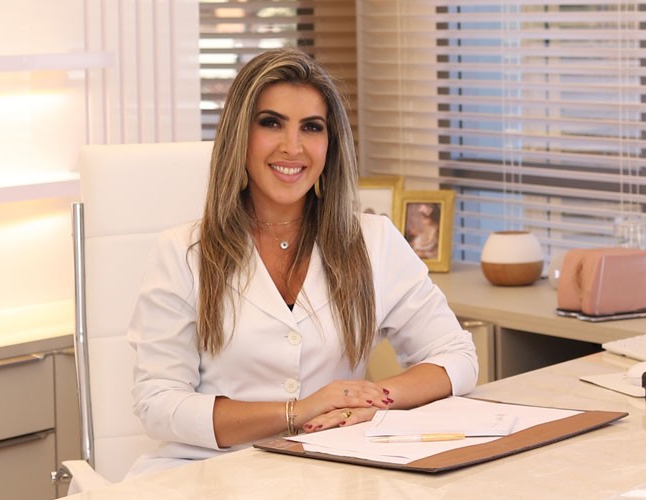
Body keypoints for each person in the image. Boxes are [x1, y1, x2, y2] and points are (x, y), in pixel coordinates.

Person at [125, 48, 479, 477]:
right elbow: (159, 404)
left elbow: (456, 356)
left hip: (334, 467)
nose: (292, 147)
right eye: (271, 123)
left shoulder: (373, 242)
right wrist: (299, 411)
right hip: (209, 472)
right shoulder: (183, 253)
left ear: (330, 145)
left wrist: (367, 400)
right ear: (241, 135)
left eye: (311, 128)